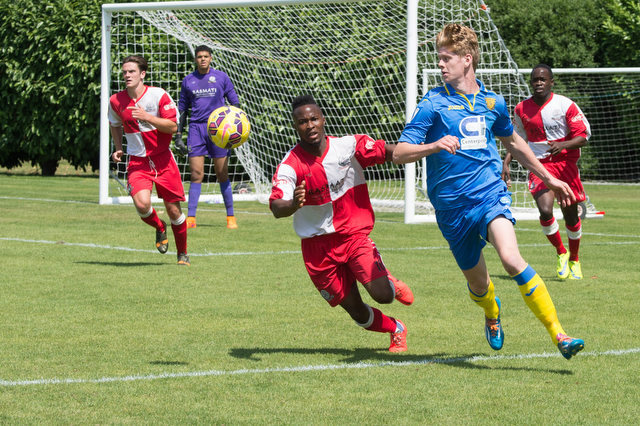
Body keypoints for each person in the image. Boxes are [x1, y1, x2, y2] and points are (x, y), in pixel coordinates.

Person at [393, 24, 584, 359]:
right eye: (439, 58)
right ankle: (492, 312)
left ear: (467, 59)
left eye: (447, 58)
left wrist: (549, 178)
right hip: (451, 209)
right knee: (479, 285)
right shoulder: (433, 103)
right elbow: (399, 152)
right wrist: (434, 145)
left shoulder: (493, 102)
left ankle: (560, 335)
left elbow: (515, 143)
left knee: (511, 259)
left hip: (488, 195)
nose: (440, 64)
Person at [270, 95, 414, 352]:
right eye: (302, 122)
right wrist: (293, 204)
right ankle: (395, 328)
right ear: (295, 126)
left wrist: (429, 150)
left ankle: (390, 282)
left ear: (323, 120)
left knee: (383, 295)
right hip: (317, 250)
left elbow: (390, 152)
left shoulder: (348, 146)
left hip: (352, 236)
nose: (310, 125)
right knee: (357, 312)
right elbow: (276, 206)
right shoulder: (290, 165)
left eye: (314, 119)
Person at [502, 64, 590, 280]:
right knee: (545, 209)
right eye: (535, 79)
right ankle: (561, 252)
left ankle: (575, 259)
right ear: (531, 82)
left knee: (571, 215)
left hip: (565, 164)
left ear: (551, 82)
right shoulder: (521, 109)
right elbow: (516, 139)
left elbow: (583, 136)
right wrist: (506, 162)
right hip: (539, 165)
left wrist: (564, 145)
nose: (539, 83)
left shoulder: (565, 105)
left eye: (543, 79)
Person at [108, 55, 190, 266]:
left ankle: (182, 254)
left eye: (132, 71)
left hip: (163, 160)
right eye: (125, 72)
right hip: (138, 162)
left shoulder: (158, 95)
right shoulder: (116, 101)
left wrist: (147, 117)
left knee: (174, 210)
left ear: (142, 74)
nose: (127, 75)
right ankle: (160, 227)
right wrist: (118, 148)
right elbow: (114, 124)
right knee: (142, 204)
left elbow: (173, 127)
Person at [175, 45, 240, 230]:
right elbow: (182, 109)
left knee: (222, 173)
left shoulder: (221, 77)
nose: (202, 59)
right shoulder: (188, 80)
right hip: (196, 130)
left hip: (218, 130)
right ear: (195, 59)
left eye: (205, 56)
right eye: (199, 56)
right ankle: (191, 218)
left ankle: (230, 217)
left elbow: (234, 103)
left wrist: (235, 130)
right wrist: (178, 134)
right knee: (196, 174)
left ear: (210, 58)